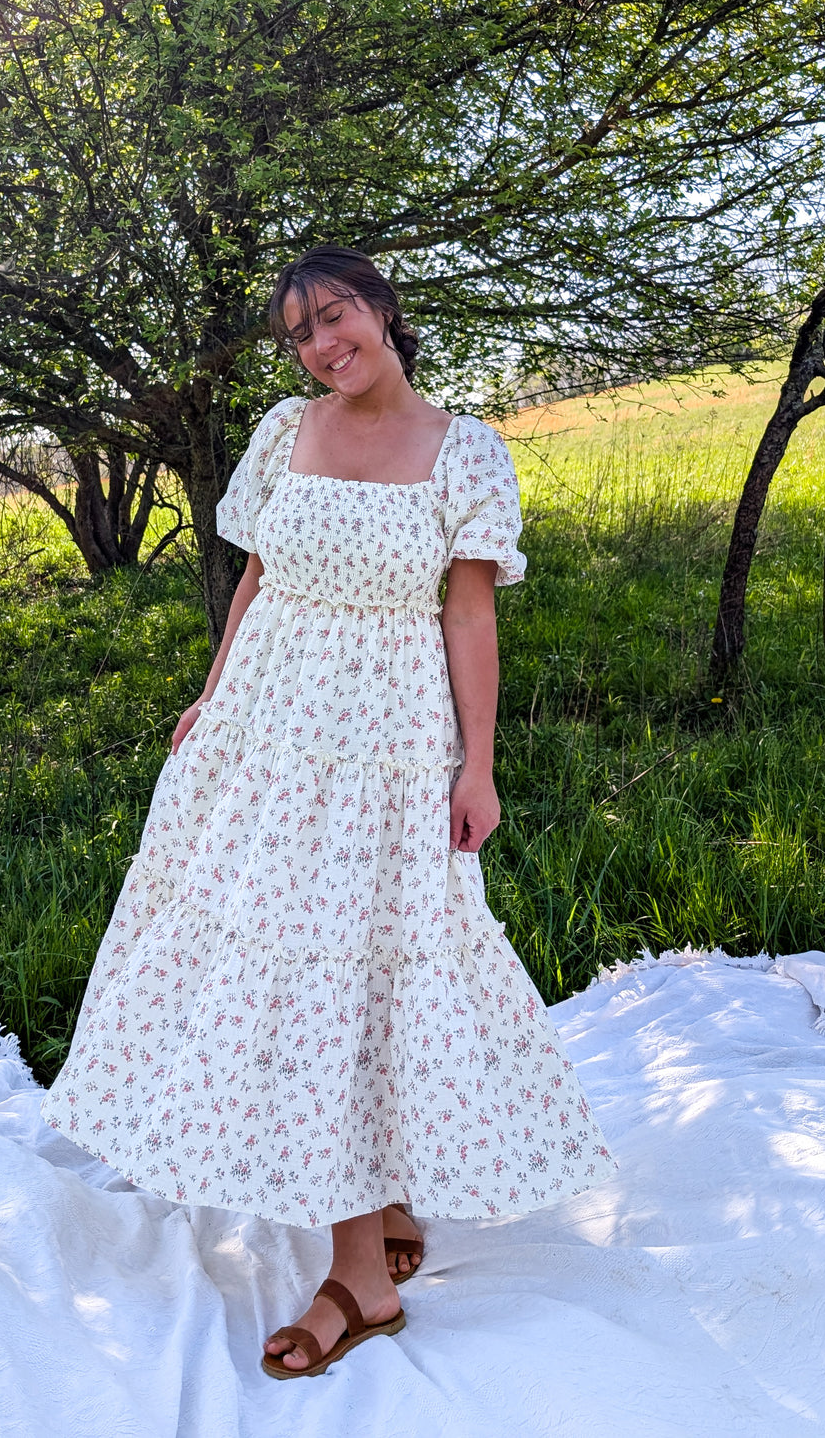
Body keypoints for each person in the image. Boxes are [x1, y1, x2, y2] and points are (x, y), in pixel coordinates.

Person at [40, 245, 616, 1379]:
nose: (321, 345)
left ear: (383, 310)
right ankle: (380, 1206)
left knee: (355, 966)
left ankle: (361, 1277)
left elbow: (469, 617)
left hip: (383, 742)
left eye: (335, 314)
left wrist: (479, 766)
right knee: (273, 958)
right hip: (264, 731)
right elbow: (257, 581)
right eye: (300, 332)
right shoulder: (280, 432)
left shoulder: (466, 451)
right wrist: (212, 694)